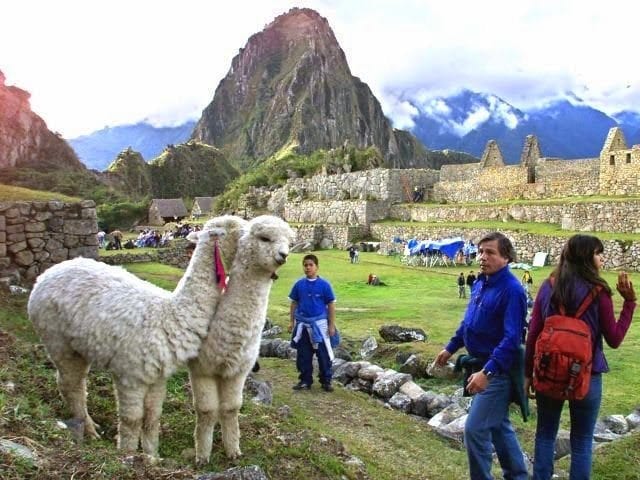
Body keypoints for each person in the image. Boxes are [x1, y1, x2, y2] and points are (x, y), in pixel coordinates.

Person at [524, 234, 636, 479]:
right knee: (582, 441)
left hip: (548, 369)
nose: (602, 258)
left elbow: (533, 333)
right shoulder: (599, 292)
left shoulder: (549, 286)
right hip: (587, 373)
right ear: (586, 257)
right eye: (598, 253)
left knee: (545, 434)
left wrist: (528, 373)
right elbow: (614, 339)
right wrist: (629, 303)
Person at [435, 232, 529, 480]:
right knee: (498, 425)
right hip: (480, 365)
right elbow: (469, 323)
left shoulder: (512, 291)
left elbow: (512, 339)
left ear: (506, 257)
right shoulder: (480, 283)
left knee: (475, 430)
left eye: (490, 252)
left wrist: (487, 372)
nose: (482, 257)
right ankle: (518, 476)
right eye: (480, 252)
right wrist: (451, 347)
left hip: (497, 372)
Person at [288, 254, 337, 392]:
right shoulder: (299, 285)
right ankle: (305, 380)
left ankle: (326, 381)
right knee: (303, 355)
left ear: (317, 267)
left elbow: (331, 305)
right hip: (303, 325)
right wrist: (291, 322)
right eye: (305, 265)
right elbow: (294, 303)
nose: (308, 268)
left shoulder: (324, 285)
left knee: (323, 355)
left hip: (320, 326)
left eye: (311, 265)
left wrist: (331, 325)